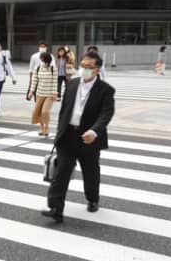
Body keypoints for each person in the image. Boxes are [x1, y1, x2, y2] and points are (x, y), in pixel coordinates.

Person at [42, 52, 116, 223]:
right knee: (61, 173)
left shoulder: (106, 90)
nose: (84, 69)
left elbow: (106, 114)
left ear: (97, 70)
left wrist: (95, 131)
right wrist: (59, 133)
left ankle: (92, 199)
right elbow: (64, 111)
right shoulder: (72, 84)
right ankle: (55, 208)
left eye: (89, 67)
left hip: (88, 138)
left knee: (90, 172)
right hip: (68, 136)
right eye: (82, 66)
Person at [29, 51, 57, 137]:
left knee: (45, 111)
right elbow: (34, 81)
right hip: (39, 93)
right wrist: (31, 91)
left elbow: (54, 82)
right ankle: (41, 127)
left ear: (46, 59)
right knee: (38, 112)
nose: (41, 60)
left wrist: (54, 93)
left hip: (49, 95)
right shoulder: (37, 68)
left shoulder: (53, 68)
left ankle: (47, 127)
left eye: (42, 58)